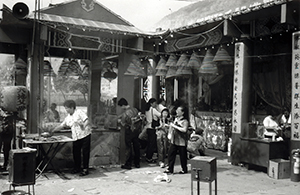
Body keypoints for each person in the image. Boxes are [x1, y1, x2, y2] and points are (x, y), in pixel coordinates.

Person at [52, 100, 91, 176]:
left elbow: (86, 120)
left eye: (67, 108)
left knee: (85, 153)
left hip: (85, 135)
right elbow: (62, 125)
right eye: (65, 108)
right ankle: (77, 168)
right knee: (76, 153)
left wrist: (84, 126)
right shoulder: (68, 118)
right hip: (76, 137)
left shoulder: (79, 112)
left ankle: (85, 169)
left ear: (72, 107)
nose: (66, 110)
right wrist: (53, 130)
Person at [117, 98, 141, 169]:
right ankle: (137, 163)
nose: (121, 108)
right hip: (136, 131)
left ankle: (128, 164)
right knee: (136, 146)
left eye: (121, 106)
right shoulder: (135, 110)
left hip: (129, 131)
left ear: (123, 105)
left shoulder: (125, 113)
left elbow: (123, 124)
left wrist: (119, 121)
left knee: (128, 147)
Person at [164, 105, 189, 174]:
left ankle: (184, 169)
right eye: (177, 110)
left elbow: (184, 130)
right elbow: (172, 127)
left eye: (178, 110)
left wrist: (174, 126)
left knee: (183, 156)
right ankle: (170, 169)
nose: (177, 112)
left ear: (183, 112)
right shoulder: (176, 119)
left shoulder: (185, 121)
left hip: (182, 141)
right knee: (170, 154)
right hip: (174, 140)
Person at [145, 98, 161, 163]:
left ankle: (148, 156)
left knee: (149, 143)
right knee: (152, 143)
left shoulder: (147, 110)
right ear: (151, 103)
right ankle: (149, 157)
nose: (155, 104)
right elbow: (160, 115)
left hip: (148, 127)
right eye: (154, 103)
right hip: (152, 128)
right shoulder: (153, 110)